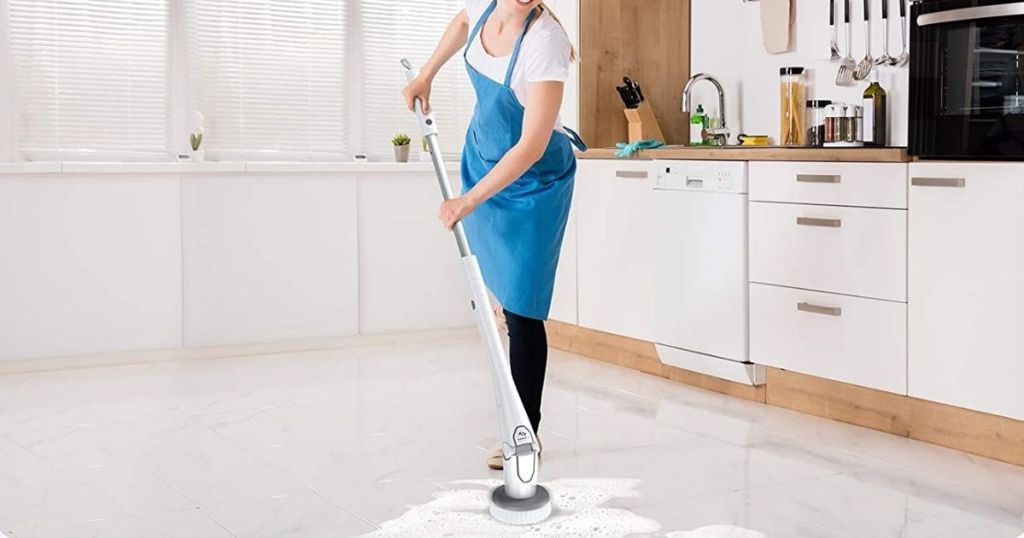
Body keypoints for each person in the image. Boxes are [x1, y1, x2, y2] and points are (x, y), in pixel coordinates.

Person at [402, 0, 585, 470]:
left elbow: (531, 145)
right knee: (499, 295)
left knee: (524, 308)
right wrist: (427, 74)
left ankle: (525, 434)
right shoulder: (483, 7)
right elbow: (463, 23)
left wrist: (469, 200)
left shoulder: (545, 44)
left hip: (532, 184)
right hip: (483, 157)